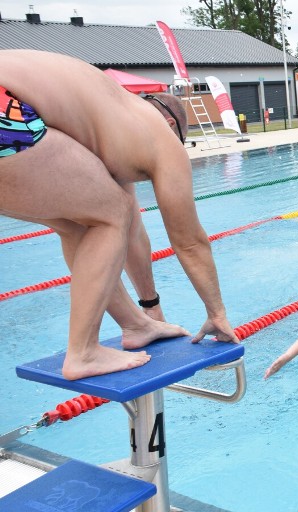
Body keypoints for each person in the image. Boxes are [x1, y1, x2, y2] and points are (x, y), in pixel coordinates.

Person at [0, 50, 237, 380]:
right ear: (172, 125)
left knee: (80, 224)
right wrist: (217, 311)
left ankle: (134, 325)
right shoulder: (158, 135)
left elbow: (131, 229)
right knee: (109, 215)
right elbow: (189, 242)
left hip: (11, 104)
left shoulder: (111, 124)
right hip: (5, 105)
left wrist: (149, 309)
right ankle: (83, 352)